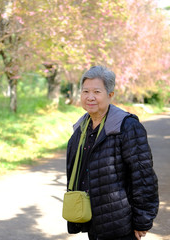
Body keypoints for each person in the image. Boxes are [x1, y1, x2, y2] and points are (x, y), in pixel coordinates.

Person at [66, 65, 159, 240]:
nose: (90, 97)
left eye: (96, 92)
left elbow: (143, 176)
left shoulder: (127, 126)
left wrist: (142, 220)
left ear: (110, 95)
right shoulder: (81, 128)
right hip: (92, 220)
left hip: (120, 223)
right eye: (85, 91)